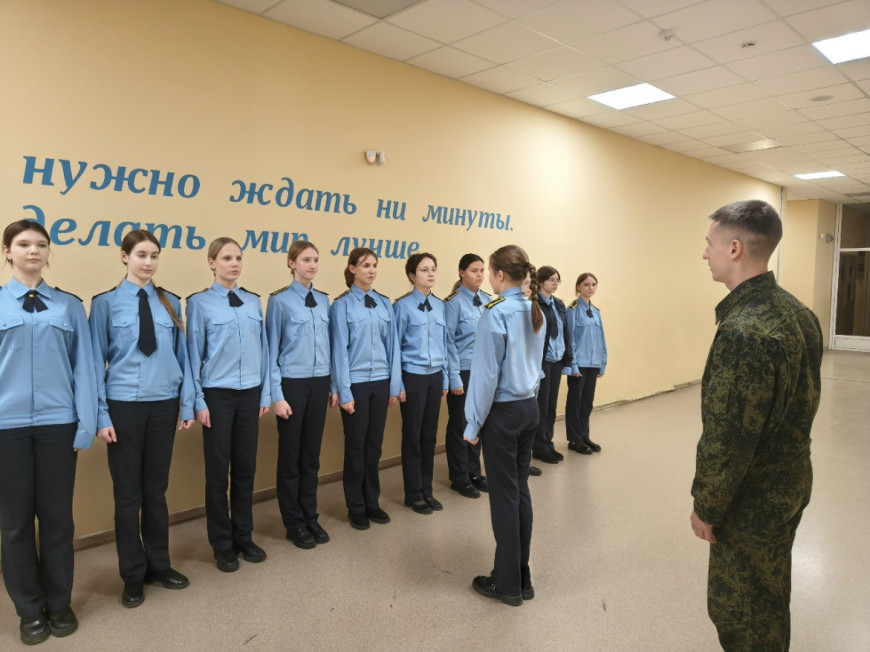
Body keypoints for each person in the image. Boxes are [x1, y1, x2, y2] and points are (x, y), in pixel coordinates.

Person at [690, 199, 823, 650]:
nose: (704, 253)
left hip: (751, 500)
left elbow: (729, 439)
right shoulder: (798, 313)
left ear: (734, 248)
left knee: (743, 614)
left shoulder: (744, 330)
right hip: (790, 483)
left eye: (709, 244)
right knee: (769, 594)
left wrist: (707, 506)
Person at [0, 220, 98, 644]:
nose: (33, 251)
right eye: (23, 244)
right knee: (14, 524)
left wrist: (85, 425)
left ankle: (59, 603)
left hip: (58, 425)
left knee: (58, 520)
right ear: (7, 251)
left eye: (41, 244)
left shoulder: (69, 307)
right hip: (7, 428)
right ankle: (29, 609)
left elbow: (85, 368)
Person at [90, 229, 195, 609]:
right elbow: (93, 362)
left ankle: (159, 565)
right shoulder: (104, 304)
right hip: (123, 407)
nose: (148, 262)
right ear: (125, 257)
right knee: (127, 496)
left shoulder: (170, 302)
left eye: (154, 255)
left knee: (155, 491)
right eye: (141, 255)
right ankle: (133, 575)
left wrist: (186, 405)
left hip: (163, 405)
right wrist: (100, 414)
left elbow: (183, 357)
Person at [464, 245, 545, 606]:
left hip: (503, 413)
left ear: (498, 275)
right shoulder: (534, 308)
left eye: (490, 273)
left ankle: (508, 585)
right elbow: (536, 369)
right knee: (520, 491)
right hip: (529, 408)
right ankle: (522, 576)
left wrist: (473, 423)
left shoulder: (494, 313)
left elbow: (485, 377)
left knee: (504, 497)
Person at [186, 237, 270, 572]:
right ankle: (221, 544)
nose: (234, 264)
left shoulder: (252, 301)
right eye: (226, 258)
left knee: (246, 469)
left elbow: (263, 350)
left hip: (249, 393)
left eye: (238, 258)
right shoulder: (199, 303)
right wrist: (197, 400)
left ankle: (243, 536)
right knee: (218, 473)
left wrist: (265, 393)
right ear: (212, 263)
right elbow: (193, 355)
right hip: (217, 395)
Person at [266, 240, 331, 550]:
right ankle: (293, 522)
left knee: (311, 457)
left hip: (320, 383)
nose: (312, 265)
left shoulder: (324, 300)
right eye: (306, 260)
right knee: (291, 457)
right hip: (292, 384)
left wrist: (332, 386)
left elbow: (330, 347)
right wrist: (276, 395)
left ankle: (310, 516)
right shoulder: (279, 301)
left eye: (315, 259)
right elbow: (271, 351)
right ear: (291, 263)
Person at [330, 247, 401, 530]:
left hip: (381, 382)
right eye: (365, 265)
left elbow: (393, 347)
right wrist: (344, 391)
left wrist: (394, 386)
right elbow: (339, 351)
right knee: (356, 447)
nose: (371, 270)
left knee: (374, 447)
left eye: (374, 265)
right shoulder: (342, 305)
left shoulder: (384, 303)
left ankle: (372, 501)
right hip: (356, 384)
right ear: (352, 269)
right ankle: (356, 506)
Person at [393, 252, 448, 515]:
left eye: (433, 269)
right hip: (412, 376)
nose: (431, 274)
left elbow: (444, 344)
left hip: (435, 376)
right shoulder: (402, 306)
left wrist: (445, 377)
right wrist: (398, 384)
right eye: (424, 270)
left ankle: (427, 490)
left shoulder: (440, 305)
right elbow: (395, 348)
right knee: (413, 436)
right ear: (412, 275)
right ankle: (413, 493)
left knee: (429, 436)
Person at [443, 254, 490, 499]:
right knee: (460, 425)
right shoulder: (453, 303)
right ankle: (459, 477)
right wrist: (454, 378)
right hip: (463, 370)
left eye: (482, 270)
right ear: (462, 272)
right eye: (474, 270)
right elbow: (448, 342)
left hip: (484, 371)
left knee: (477, 423)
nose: (479, 275)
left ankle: (474, 472)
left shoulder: (488, 300)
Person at [531, 266, 572, 465]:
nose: (555, 283)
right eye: (551, 280)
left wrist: (567, 360)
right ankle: (539, 446)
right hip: (543, 361)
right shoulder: (534, 303)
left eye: (557, 280)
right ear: (540, 281)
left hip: (557, 361)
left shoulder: (559, 304)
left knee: (551, 405)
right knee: (542, 405)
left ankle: (548, 442)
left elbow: (565, 332)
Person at [563, 273, 606, 455]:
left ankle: (584, 435)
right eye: (586, 284)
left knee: (587, 402)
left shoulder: (596, 311)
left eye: (594, 284)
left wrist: (602, 363)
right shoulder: (572, 310)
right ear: (578, 287)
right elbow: (569, 339)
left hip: (593, 363)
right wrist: (572, 365)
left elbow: (601, 339)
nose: (591, 287)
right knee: (575, 402)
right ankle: (575, 439)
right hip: (579, 364)